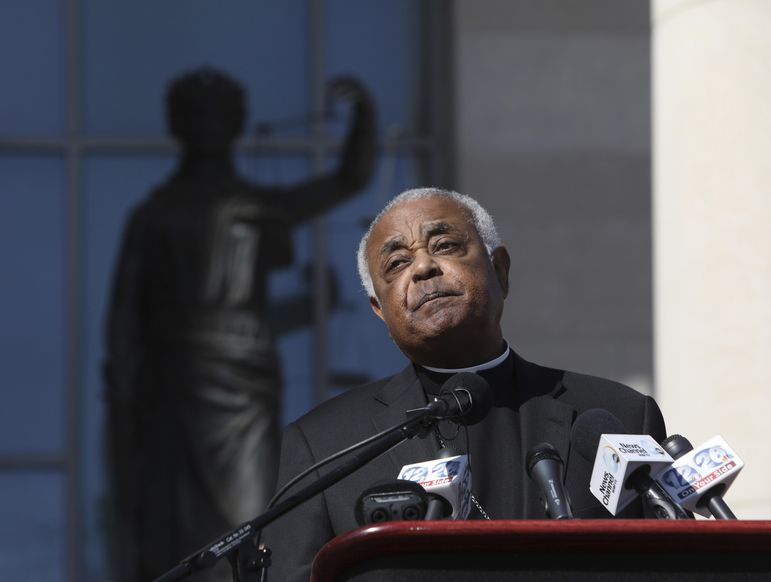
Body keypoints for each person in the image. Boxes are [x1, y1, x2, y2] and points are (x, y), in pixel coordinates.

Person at [262, 187, 666, 581]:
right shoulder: (325, 447)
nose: (423, 268)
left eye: (445, 246)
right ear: (380, 310)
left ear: (500, 270)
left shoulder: (619, 416)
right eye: (397, 263)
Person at [103, 68, 376, 582]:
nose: (208, 125)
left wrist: (364, 116)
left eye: (218, 114)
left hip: (242, 375)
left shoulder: (257, 205)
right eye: (197, 115)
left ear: (235, 124)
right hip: (174, 379)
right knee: (173, 515)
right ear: (178, 124)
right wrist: (123, 394)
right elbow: (125, 317)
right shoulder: (154, 216)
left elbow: (349, 179)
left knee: (244, 510)